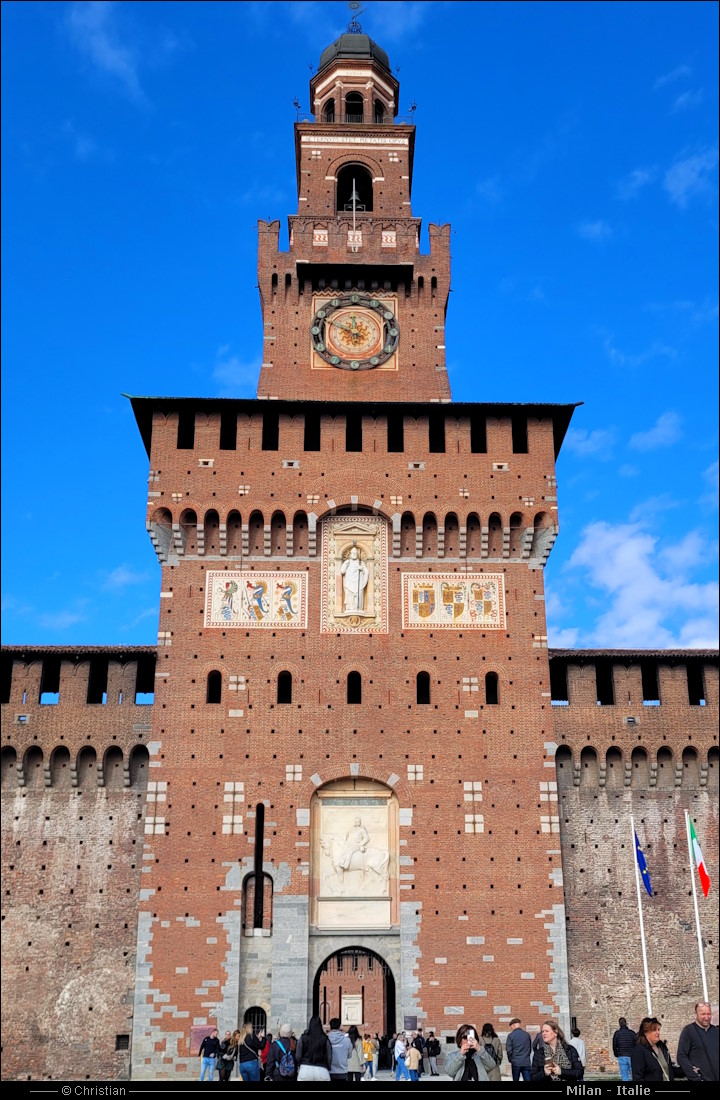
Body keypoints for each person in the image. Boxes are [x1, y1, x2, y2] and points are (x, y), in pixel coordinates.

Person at [676, 1001, 719, 1081]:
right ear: (695, 1014)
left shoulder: (716, 1031)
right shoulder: (688, 1031)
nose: (706, 1017)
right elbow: (681, 1057)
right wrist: (695, 1077)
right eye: (703, 1014)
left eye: (709, 1014)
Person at [631, 1017, 677, 1082]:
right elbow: (638, 1077)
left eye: (658, 1029)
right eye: (654, 1030)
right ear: (645, 1032)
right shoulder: (639, 1051)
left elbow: (669, 1069)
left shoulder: (662, 1048)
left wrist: (688, 1069)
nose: (658, 1033)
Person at [295, 1015, 333, 1082]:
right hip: (322, 1069)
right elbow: (329, 1057)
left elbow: (298, 1056)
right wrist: (328, 1067)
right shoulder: (325, 1039)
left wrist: (300, 1064)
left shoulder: (303, 1038)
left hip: (305, 1068)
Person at [341, 545, 369, 612]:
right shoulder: (348, 562)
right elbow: (342, 571)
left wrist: (361, 568)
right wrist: (345, 565)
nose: (354, 555)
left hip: (358, 583)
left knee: (358, 595)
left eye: (356, 553)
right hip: (349, 582)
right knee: (349, 595)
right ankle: (349, 608)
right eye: (353, 553)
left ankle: (358, 608)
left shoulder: (360, 563)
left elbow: (366, 571)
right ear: (350, 554)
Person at [505, 1018, 532, 1082]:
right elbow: (529, 1048)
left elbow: (509, 1050)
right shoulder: (527, 1035)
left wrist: (511, 1059)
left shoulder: (511, 1036)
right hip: (526, 1062)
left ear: (513, 1025)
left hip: (516, 1062)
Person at [613, 1016, 637, 1082]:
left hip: (622, 1056)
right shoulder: (632, 1033)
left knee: (624, 1076)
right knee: (633, 1075)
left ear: (619, 1024)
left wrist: (616, 1054)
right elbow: (636, 1044)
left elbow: (614, 1045)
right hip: (631, 1056)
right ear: (626, 1023)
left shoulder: (617, 1034)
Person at [328, 1018, 353, 1082]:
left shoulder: (326, 1040)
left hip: (329, 1072)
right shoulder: (347, 1040)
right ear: (339, 1026)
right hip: (342, 1071)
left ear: (330, 1026)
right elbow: (349, 1055)